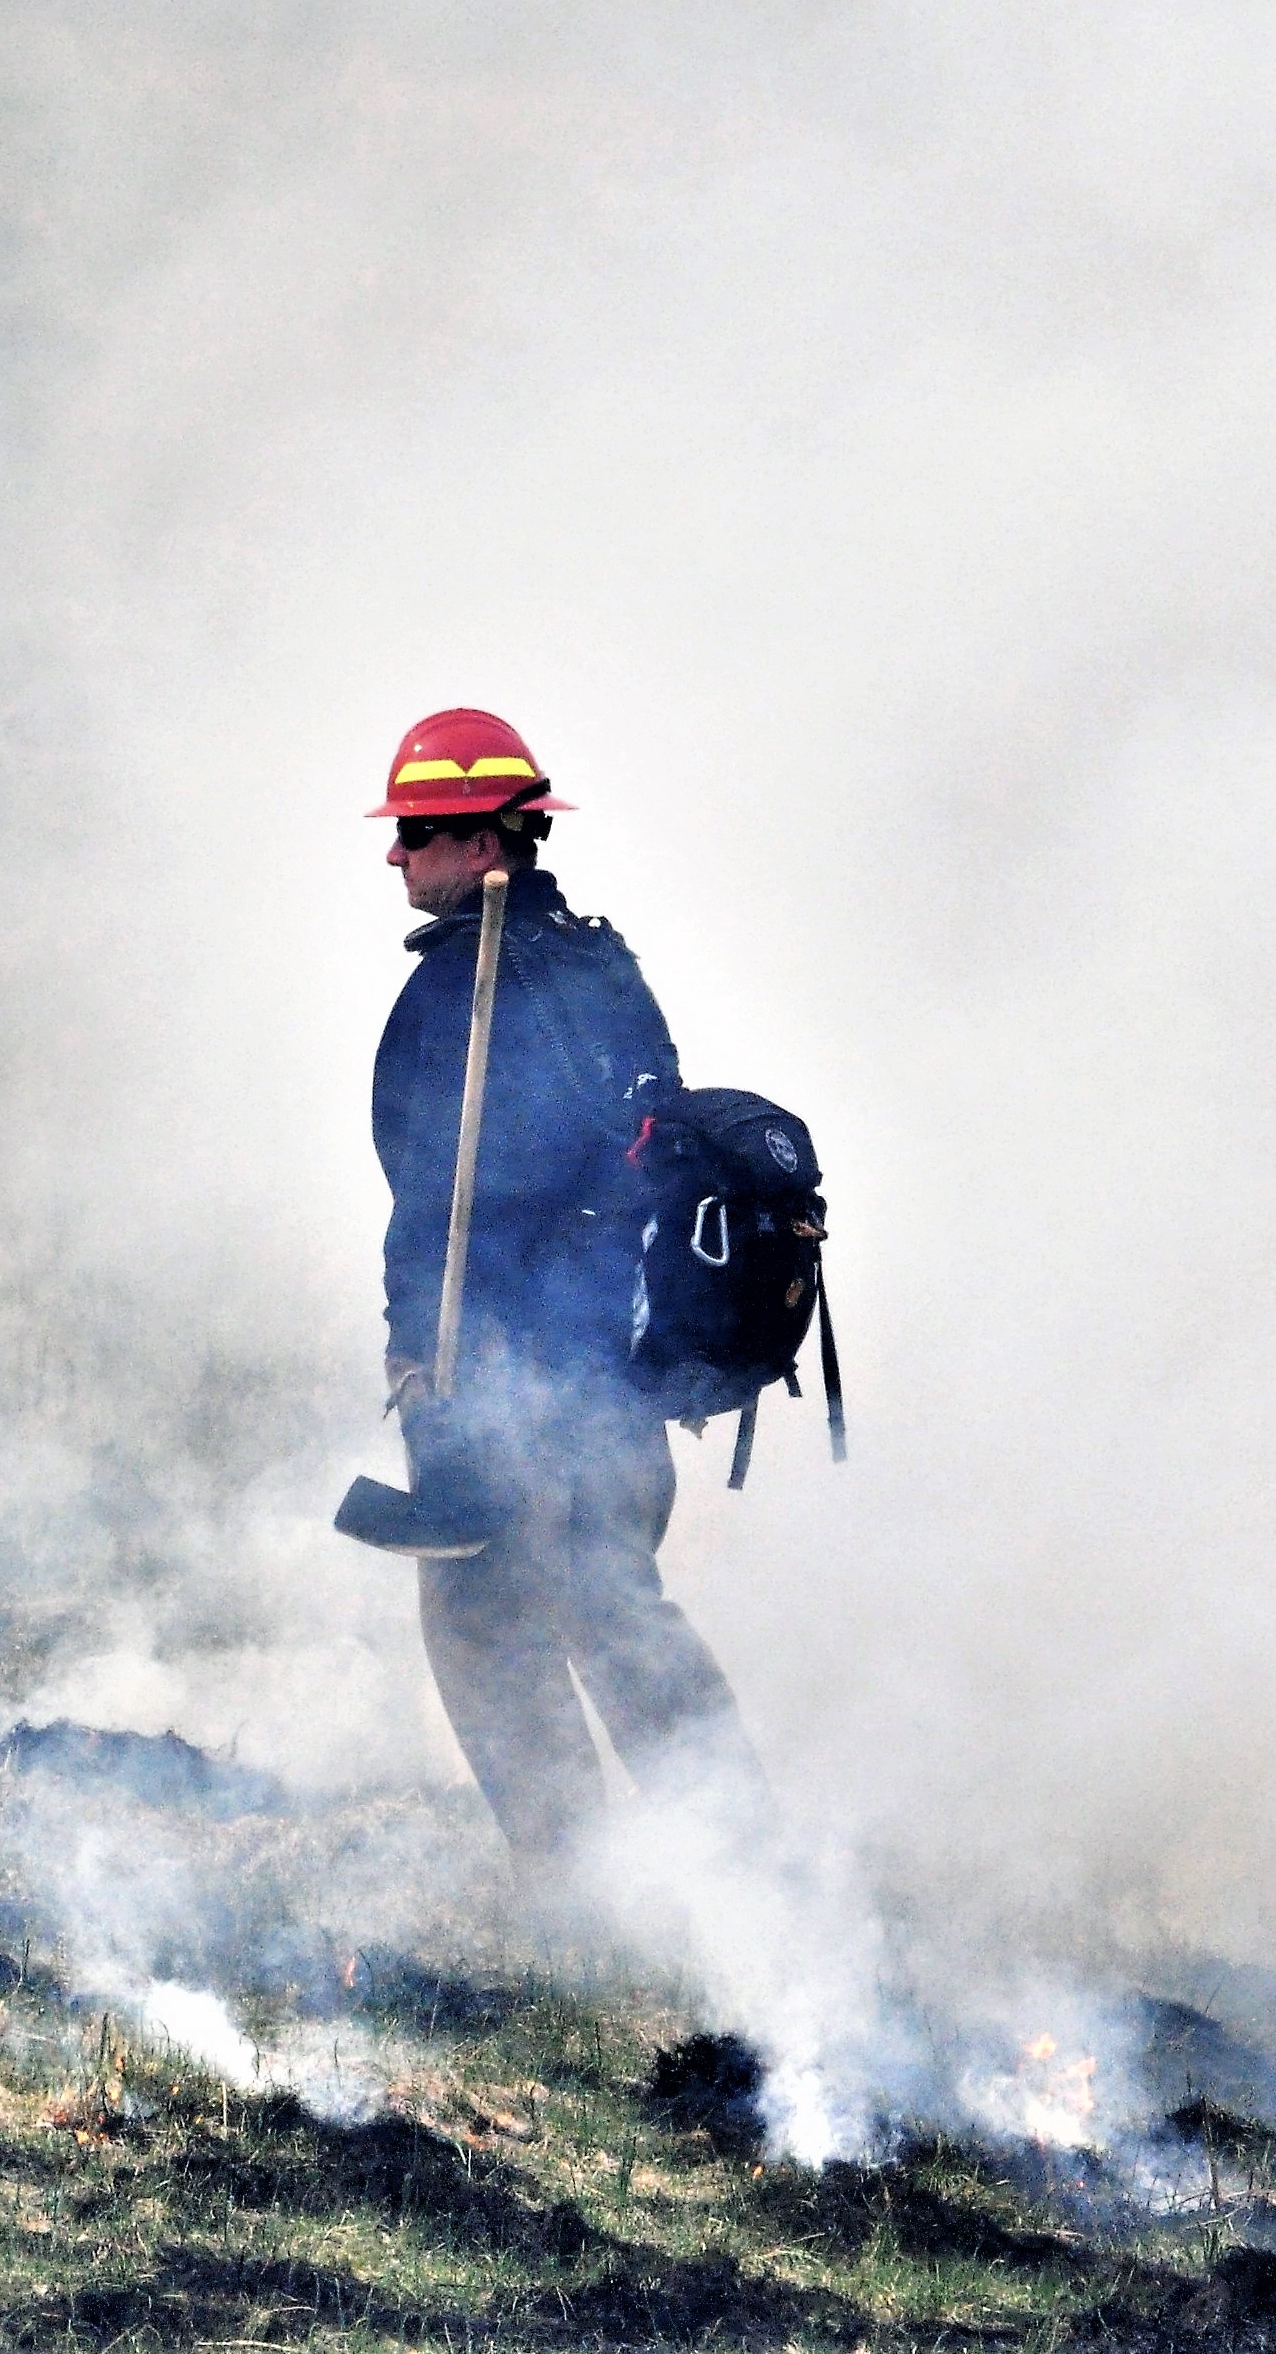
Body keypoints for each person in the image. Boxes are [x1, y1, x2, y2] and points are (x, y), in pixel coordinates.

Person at [366, 706, 772, 1893]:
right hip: (615, 1380)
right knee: (619, 1619)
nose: (398, 854)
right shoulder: (607, 968)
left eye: (422, 831)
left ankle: (579, 1893)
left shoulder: (468, 992)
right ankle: (752, 1876)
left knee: (486, 1627)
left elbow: (445, 1201)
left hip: (510, 1380)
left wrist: (425, 1368)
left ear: (491, 840)